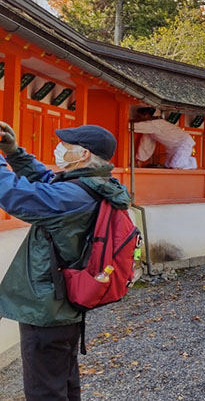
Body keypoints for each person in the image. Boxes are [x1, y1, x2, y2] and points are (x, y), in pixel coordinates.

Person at [0, 121, 131, 401]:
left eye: (66, 147)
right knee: (63, 383)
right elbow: (47, 182)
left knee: (44, 391)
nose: (59, 150)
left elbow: (13, 195)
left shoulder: (73, 195)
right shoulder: (93, 185)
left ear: (83, 154)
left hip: (47, 306)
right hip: (65, 304)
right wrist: (14, 153)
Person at [133, 107, 198, 169]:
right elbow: (146, 143)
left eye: (139, 116)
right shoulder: (150, 128)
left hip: (183, 142)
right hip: (172, 146)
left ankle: (191, 163)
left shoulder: (155, 124)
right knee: (168, 165)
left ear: (146, 116)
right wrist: (140, 159)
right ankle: (187, 161)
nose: (139, 118)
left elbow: (131, 126)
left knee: (176, 165)